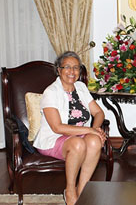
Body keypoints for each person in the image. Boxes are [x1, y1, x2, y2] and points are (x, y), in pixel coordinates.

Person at [33, 51, 107, 205]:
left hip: (79, 136)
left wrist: (96, 129)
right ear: (58, 70)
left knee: (94, 141)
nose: (72, 72)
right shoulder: (51, 92)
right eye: (67, 67)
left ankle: (82, 191)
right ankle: (70, 190)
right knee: (78, 143)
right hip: (53, 139)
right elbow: (57, 127)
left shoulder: (80, 87)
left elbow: (99, 112)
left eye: (76, 68)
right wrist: (90, 131)